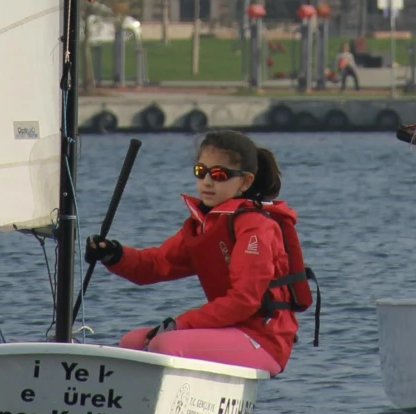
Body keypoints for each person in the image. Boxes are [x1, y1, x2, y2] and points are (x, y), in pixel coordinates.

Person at [84, 128, 302, 374]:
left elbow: (244, 301)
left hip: (264, 341)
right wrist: (114, 255)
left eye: (219, 174)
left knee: (164, 343)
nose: (207, 181)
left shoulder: (256, 227)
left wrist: (180, 324)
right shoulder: (202, 226)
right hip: (229, 331)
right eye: (201, 172)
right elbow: (156, 264)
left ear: (245, 182)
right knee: (131, 343)